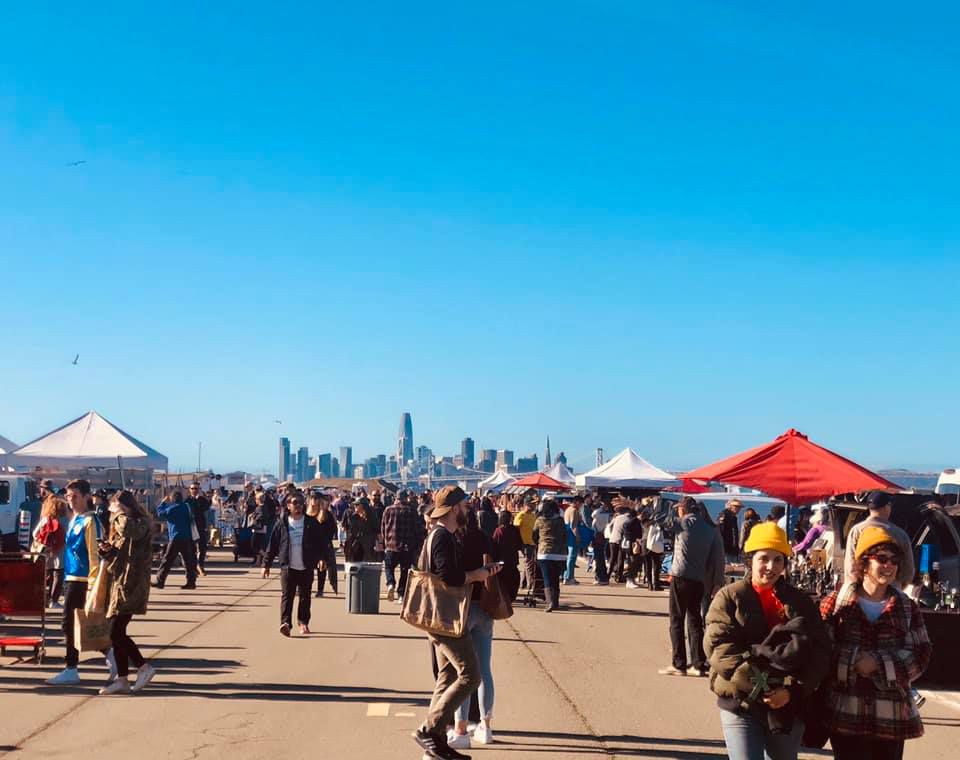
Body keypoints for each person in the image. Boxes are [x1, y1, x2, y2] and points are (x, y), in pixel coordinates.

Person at [704, 523, 831, 760]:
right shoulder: (729, 597)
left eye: (778, 560)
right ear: (750, 560)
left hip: (787, 705)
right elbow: (720, 647)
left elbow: (820, 651)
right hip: (740, 702)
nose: (771, 567)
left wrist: (791, 691)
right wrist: (762, 686)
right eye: (764, 558)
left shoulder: (800, 601)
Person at [821, 525, 931, 760]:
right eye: (882, 558)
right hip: (846, 713)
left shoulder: (907, 607)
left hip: (891, 716)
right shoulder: (836, 603)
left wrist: (879, 663)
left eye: (894, 560)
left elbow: (921, 653)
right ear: (864, 563)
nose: (889, 565)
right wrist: (853, 661)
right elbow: (819, 649)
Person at [412, 486, 501, 760]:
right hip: (445, 617)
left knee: (447, 676)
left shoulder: (441, 534)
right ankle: (429, 731)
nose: (468, 509)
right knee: (471, 675)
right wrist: (476, 575)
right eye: (464, 505)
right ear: (453, 509)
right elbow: (447, 576)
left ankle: (435, 742)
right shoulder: (442, 536)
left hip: (440, 616)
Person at [46, 479, 114, 686]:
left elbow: (95, 554)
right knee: (75, 625)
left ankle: (72, 668)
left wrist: (94, 584)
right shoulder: (76, 519)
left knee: (72, 624)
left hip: (83, 579)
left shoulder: (90, 521)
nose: (71, 500)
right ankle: (108, 657)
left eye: (75, 496)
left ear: (87, 497)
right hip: (71, 577)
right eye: (68, 496)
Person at [96, 490, 156, 695]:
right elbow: (120, 554)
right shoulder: (123, 524)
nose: (111, 511)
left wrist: (118, 513)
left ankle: (143, 667)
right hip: (119, 582)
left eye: (114, 506)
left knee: (116, 631)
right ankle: (122, 679)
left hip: (133, 584)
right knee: (115, 633)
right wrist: (106, 550)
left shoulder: (139, 523)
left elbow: (132, 532)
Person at [447, 509, 498, 751]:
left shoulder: (454, 539)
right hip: (485, 605)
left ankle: (460, 729)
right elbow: (494, 564)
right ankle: (485, 726)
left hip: (462, 607)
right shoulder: (484, 538)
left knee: (463, 672)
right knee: (484, 669)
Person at [659, 496, 724, 677]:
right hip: (699, 580)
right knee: (695, 620)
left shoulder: (685, 522)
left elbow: (661, 519)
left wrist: (646, 506)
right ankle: (698, 663)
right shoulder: (711, 528)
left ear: (684, 508)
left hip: (681, 576)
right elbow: (718, 557)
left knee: (676, 620)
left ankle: (679, 663)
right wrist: (717, 582)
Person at [262, 492, 323, 636]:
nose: (298, 506)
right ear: (288, 505)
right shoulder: (282, 523)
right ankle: (286, 624)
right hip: (288, 566)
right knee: (287, 596)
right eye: (295, 503)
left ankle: (303, 622)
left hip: (306, 565)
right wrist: (266, 564)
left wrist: (321, 558)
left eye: (301, 503)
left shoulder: (311, 523)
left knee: (305, 596)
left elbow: (320, 543)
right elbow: (273, 544)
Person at [842, 491, 914, 588]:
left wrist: (854, 587)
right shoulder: (900, 534)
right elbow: (908, 571)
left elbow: (850, 566)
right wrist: (899, 587)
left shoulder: (856, 530)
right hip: (892, 588)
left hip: (864, 588)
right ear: (887, 507)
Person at [380, 490, 425, 603]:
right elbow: (417, 529)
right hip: (407, 546)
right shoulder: (411, 511)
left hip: (391, 545)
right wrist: (419, 543)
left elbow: (383, 527)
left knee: (389, 567)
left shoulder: (388, 510)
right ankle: (401, 594)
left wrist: (385, 542)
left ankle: (390, 583)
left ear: (396, 498)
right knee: (404, 571)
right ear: (406, 498)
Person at [154, 489, 199, 590]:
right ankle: (191, 582)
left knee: (167, 560)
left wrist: (163, 503)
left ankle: (160, 581)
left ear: (172, 499)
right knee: (188, 561)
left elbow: (160, 513)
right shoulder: (187, 507)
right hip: (187, 537)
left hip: (175, 537)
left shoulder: (171, 509)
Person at [33, 494, 68, 607]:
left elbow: (35, 534)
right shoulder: (63, 519)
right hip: (60, 551)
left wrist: (43, 544)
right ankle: (54, 600)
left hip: (46, 551)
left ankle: (43, 600)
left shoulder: (45, 519)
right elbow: (68, 535)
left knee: (46, 576)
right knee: (58, 575)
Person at [533, 495, 567, 613]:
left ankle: (549, 602)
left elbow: (534, 535)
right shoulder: (560, 520)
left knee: (547, 578)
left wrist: (538, 543)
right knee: (555, 578)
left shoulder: (540, 520)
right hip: (560, 553)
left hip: (544, 553)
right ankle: (556, 602)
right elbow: (564, 535)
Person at [308, 494, 339, 597]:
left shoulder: (326, 515)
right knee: (307, 569)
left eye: (316, 500)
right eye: (312, 500)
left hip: (323, 545)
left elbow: (332, 530)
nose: (314, 503)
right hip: (309, 546)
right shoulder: (307, 514)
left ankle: (320, 590)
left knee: (321, 568)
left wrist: (325, 540)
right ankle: (305, 587)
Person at [491, 510, 523, 603]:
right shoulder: (514, 530)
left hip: (501, 559)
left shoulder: (498, 531)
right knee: (512, 578)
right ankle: (511, 596)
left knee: (502, 579)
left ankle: (503, 596)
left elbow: (494, 545)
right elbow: (519, 544)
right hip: (512, 559)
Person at [185, 482, 211, 576]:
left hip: (200, 526)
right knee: (192, 548)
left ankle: (200, 565)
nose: (194, 490)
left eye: (196, 488)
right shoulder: (187, 500)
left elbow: (205, 509)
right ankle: (194, 566)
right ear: (189, 490)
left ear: (199, 489)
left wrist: (199, 498)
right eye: (192, 488)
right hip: (191, 527)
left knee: (202, 547)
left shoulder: (202, 500)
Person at [513, 494, 537, 592]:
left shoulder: (533, 516)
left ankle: (523, 583)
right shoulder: (521, 515)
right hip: (525, 543)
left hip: (532, 543)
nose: (534, 505)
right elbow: (516, 529)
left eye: (535, 504)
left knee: (528, 563)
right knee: (529, 564)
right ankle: (531, 585)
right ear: (526, 504)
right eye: (532, 504)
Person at [344, 497, 379, 562]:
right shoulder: (353, 516)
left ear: (363, 506)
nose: (355, 506)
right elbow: (351, 531)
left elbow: (377, 529)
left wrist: (379, 543)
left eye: (357, 504)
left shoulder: (372, 515)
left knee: (368, 563)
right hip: (356, 545)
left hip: (369, 545)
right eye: (355, 504)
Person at [590, 498, 612, 585]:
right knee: (601, 558)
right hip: (603, 537)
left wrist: (601, 508)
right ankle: (603, 577)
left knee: (598, 559)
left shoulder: (597, 516)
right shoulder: (607, 515)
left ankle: (600, 577)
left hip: (597, 537)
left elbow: (593, 515)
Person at [562, 498, 582, 585]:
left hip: (567, 534)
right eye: (580, 504)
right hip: (572, 535)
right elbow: (573, 525)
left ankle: (568, 576)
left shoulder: (568, 509)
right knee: (572, 557)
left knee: (570, 557)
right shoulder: (574, 510)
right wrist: (577, 536)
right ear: (577, 502)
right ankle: (568, 577)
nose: (581, 506)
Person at [717, 498, 742, 564]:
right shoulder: (724, 515)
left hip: (732, 549)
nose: (738, 509)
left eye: (739, 507)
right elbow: (720, 532)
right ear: (730, 506)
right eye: (736, 506)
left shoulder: (733, 517)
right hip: (726, 549)